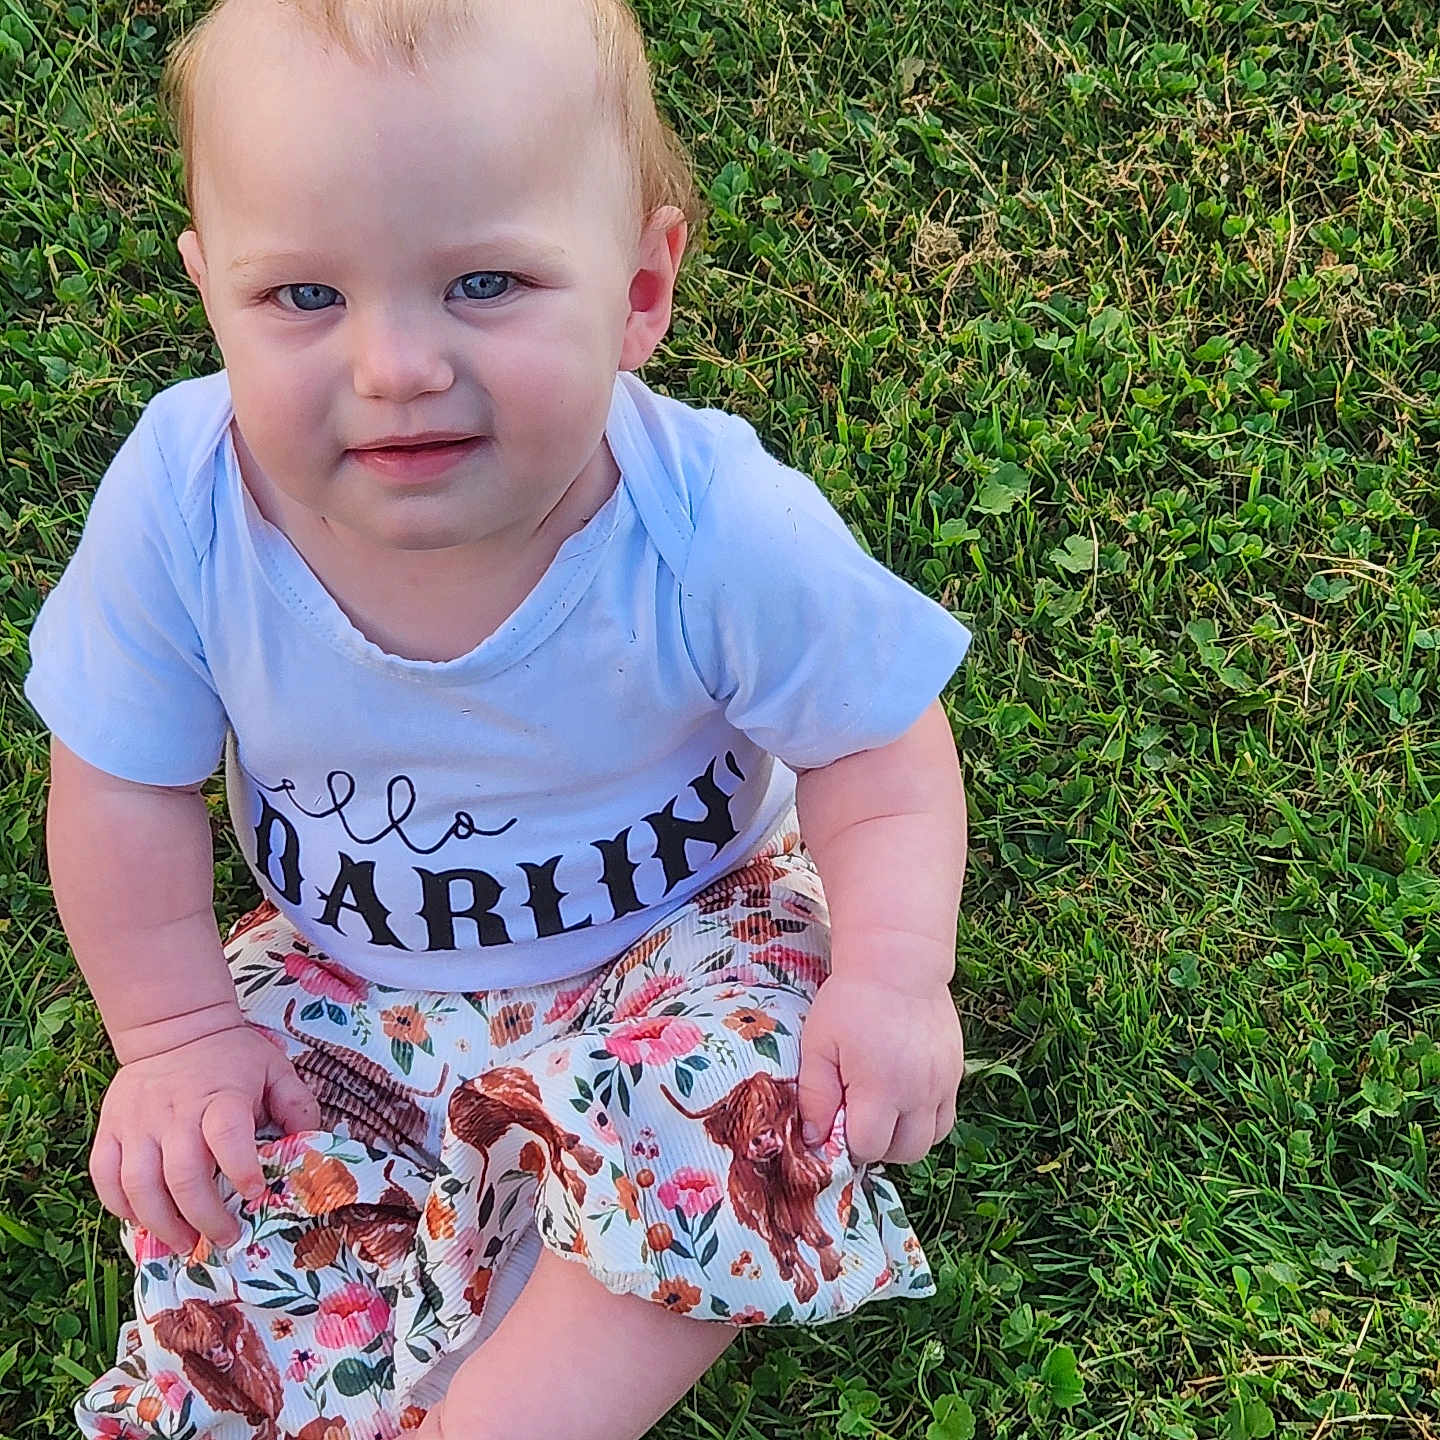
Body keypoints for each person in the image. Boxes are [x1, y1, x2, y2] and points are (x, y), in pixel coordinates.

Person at [24, 0, 973, 1435]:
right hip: (353, 975)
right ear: (212, 292)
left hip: (683, 947)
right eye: (304, 299)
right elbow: (120, 783)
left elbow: (877, 749)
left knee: (746, 1105)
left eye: (483, 284)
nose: (394, 364)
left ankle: (512, 1410)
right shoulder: (182, 507)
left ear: (641, 289)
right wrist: (170, 1036)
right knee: (249, 1171)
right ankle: (315, 1364)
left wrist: (892, 979)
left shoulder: (710, 527)